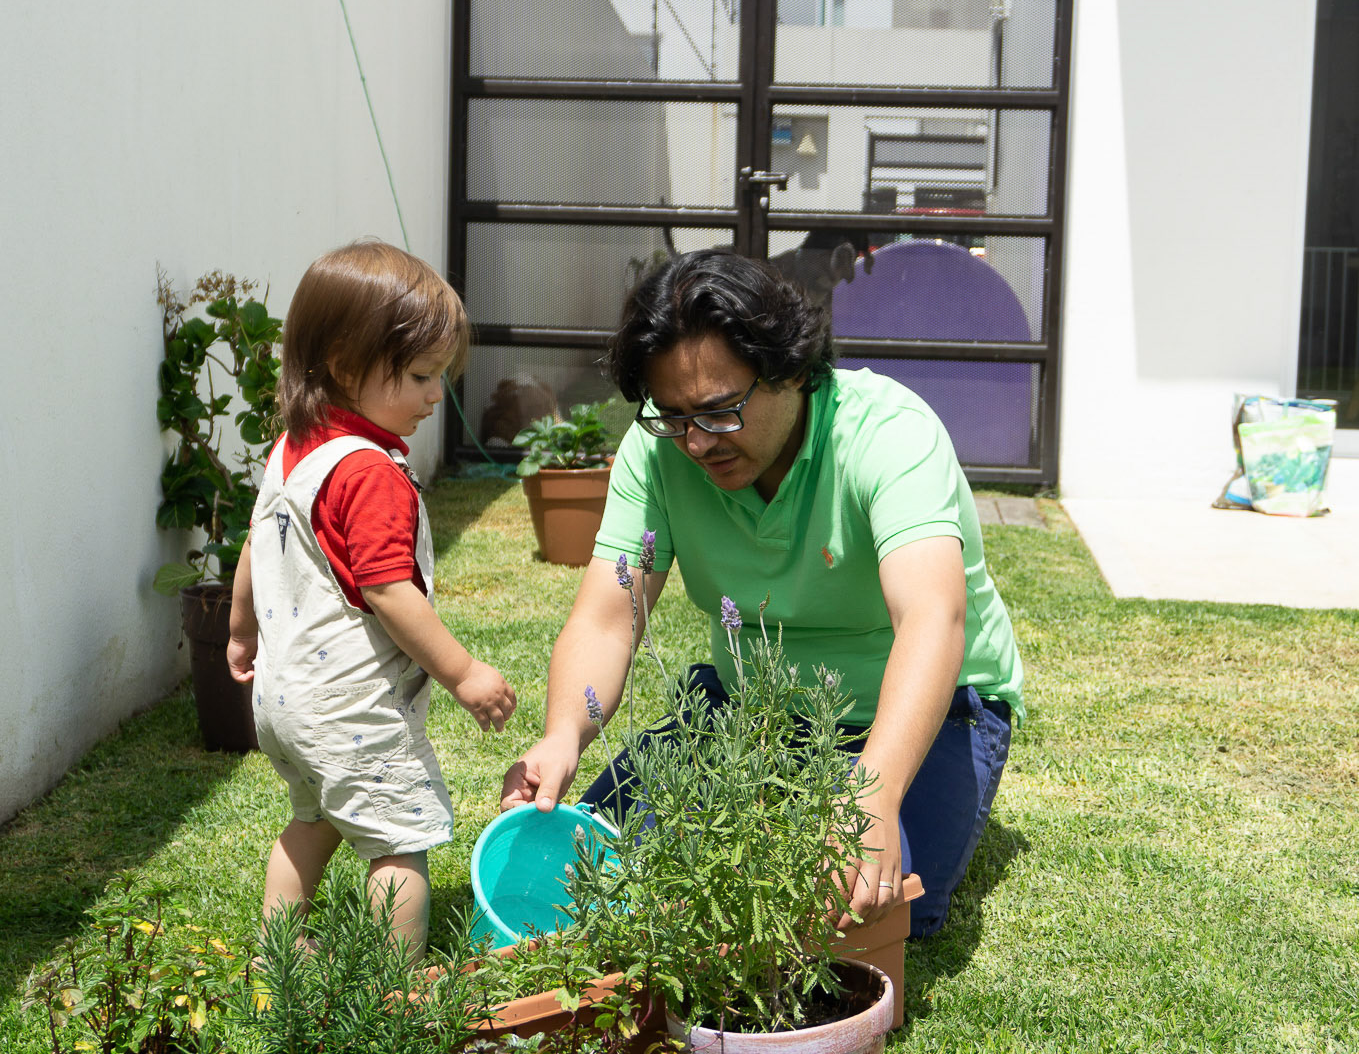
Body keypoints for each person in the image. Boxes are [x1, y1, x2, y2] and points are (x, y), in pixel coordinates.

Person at [501, 249, 1021, 938]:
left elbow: (930, 620)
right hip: (750, 705)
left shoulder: (889, 434)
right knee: (600, 868)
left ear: (794, 370)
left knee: (873, 904)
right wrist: (563, 736)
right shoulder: (655, 450)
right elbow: (606, 621)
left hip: (926, 706)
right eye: (672, 414)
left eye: (719, 411)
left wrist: (869, 800)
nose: (693, 442)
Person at [228, 239, 516, 953]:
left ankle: (280, 962)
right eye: (420, 375)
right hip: (351, 707)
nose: (433, 394)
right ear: (348, 368)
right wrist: (464, 673)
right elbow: (388, 590)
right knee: (399, 838)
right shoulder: (368, 474)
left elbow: (255, 546)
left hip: (284, 701)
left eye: (439, 375)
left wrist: (241, 631)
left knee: (314, 822)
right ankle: (397, 985)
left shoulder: (294, 448)